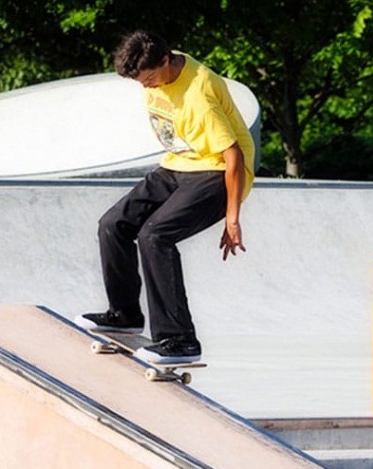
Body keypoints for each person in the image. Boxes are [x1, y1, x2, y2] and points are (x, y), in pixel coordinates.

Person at [82, 30, 255, 364]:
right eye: (141, 83)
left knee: (154, 235)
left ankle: (179, 340)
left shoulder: (198, 95)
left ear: (165, 62)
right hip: (180, 164)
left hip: (219, 171)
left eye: (149, 80)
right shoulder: (157, 60)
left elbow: (234, 156)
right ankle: (125, 314)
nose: (147, 87)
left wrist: (233, 218)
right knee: (112, 224)